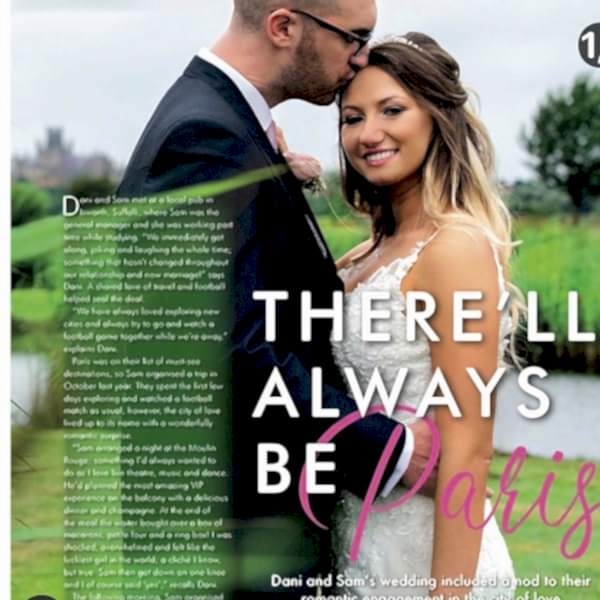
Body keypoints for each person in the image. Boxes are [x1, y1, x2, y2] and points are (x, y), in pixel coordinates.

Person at [117, 2, 435, 597]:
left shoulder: (223, 126)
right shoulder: (206, 136)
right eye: (355, 38)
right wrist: (383, 449)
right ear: (284, 27)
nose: (361, 58)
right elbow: (222, 346)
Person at [331, 33, 517, 598]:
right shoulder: (365, 254)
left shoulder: (454, 248)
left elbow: (467, 448)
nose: (368, 134)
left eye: (392, 110)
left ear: (436, 117)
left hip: (427, 562)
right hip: (362, 544)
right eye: (352, 117)